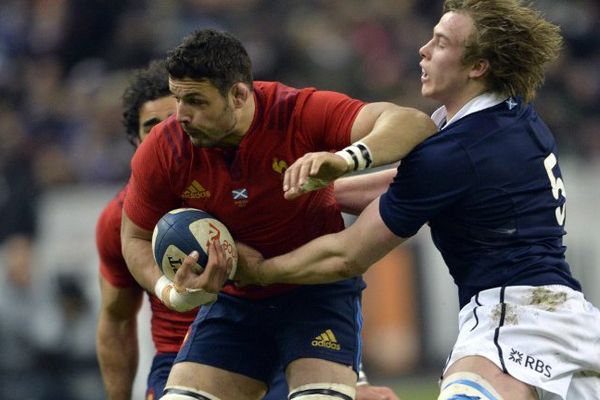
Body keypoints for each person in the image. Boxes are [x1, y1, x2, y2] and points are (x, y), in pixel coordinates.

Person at [179, 1, 600, 399]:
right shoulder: (512, 115)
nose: (423, 49)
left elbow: (347, 256)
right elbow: (409, 183)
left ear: (477, 66)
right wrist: (274, 201)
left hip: (509, 322)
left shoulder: (455, 153)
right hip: (571, 320)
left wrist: (261, 271)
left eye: (441, 42)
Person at [120, 28, 435, 400]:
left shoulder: (296, 112)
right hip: (234, 301)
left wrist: (344, 159)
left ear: (238, 95)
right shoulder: (165, 147)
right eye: (177, 99)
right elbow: (135, 237)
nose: (181, 116)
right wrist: (173, 294)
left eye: (195, 101)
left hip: (316, 297)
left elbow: (414, 123)